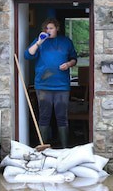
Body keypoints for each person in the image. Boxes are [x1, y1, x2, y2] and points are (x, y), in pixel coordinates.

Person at [24, 18, 78, 148]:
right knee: (44, 116)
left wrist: (68, 64)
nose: (48, 31)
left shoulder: (66, 42)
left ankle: (64, 148)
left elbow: (74, 59)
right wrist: (38, 42)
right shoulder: (40, 42)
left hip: (62, 85)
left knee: (62, 117)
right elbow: (27, 55)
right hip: (43, 85)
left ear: (57, 28)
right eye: (46, 29)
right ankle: (44, 148)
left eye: (51, 28)